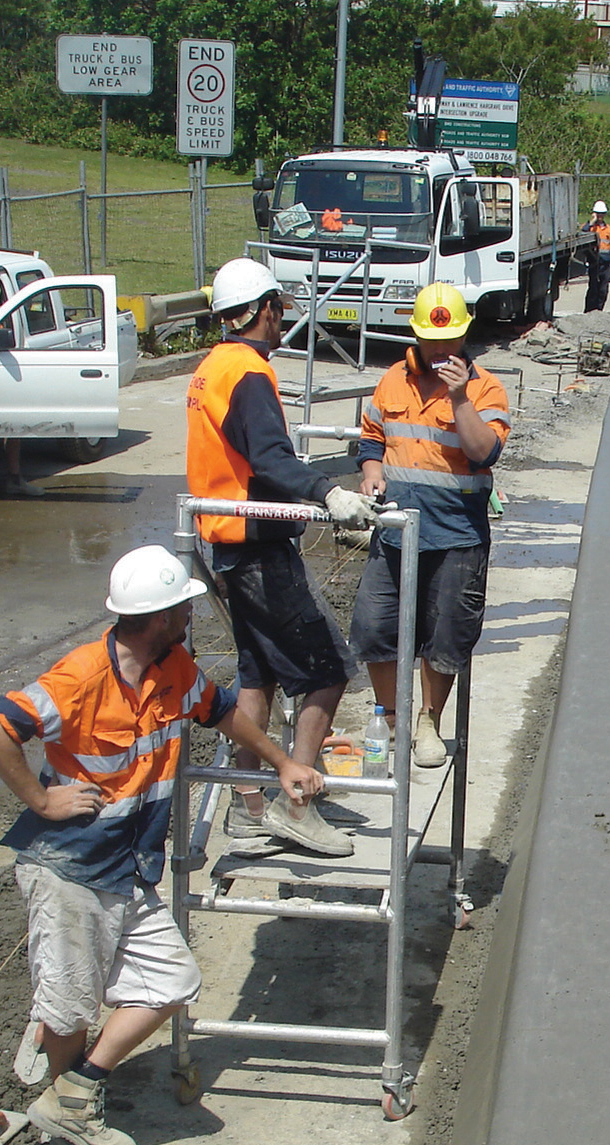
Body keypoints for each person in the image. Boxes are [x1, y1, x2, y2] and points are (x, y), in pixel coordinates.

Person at [0, 546, 324, 1145]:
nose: (192, 614)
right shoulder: (80, 678)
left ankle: (72, 1093)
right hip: (70, 868)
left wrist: (283, 763)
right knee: (70, 1005)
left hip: (129, 867)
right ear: (161, 616)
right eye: (184, 607)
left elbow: (222, 714)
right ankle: (68, 1116)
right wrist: (42, 799)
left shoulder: (174, 668)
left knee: (172, 980)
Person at [188, 256, 360, 857]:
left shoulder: (210, 367)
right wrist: (327, 491)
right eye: (280, 307)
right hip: (258, 547)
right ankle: (297, 802)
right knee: (327, 669)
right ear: (265, 309)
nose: (282, 316)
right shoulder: (249, 373)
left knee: (257, 676)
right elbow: (270, 458)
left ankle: (247, 803)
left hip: (227, 545)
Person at [353, 282, 509, 770]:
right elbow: (372, 437)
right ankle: (394, 717)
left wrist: (459, 397)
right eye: (432, 341)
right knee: (374, 626)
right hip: (396, 530)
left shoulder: (485, 388)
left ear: (464, 335)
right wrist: (372, 473)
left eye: (451, 340)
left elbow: (485, 451)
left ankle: (428, 720)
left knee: (446, 636)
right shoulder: (392, 381)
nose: (442, 350)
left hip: (456, 537)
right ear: (417, 336)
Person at [582, 200, 610, 313]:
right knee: (593, 289)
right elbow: (583, 232)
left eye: (602, 214)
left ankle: (599, 311)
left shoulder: (608, 229)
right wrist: (592, 221)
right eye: (598, 213)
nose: (600, 216)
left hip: (605, 264)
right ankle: (588, 311)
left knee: (603, 290)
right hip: (594, 263)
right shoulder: (591, 227)